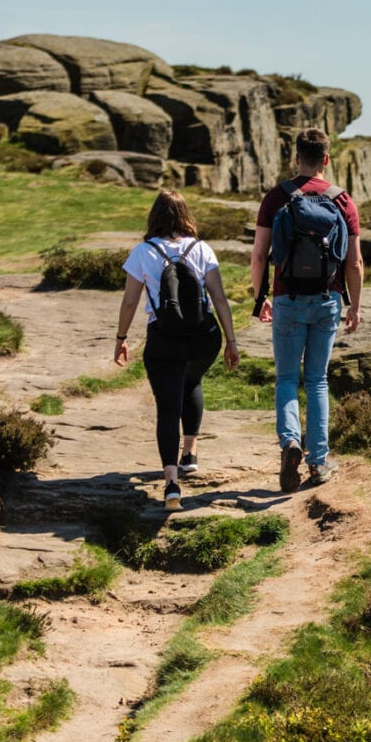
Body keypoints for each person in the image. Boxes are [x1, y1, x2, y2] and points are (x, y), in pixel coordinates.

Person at [251, 128, 363, 493]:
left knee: (286, 379)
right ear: (326, 160)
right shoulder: (342, 201)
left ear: (296, 157)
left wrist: (260, 297)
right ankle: (317, 463)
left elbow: (259, 254)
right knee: (317, 381)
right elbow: (355, 263)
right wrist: (354, 307)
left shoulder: (276, 197)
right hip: (327, 300)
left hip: (287, 298)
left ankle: (290, 443)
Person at [113, 190, 240, 510]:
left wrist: (121, 337)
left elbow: (130, 301)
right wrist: (231, 341)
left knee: (168, 406)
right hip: (203, 337)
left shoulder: (143, 252)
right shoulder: (202, 249)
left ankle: (171, 485)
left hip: (164, 338)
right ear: (186, 216)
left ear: (154, 217)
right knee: (192, 382)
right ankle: (190, 454)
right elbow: (220, 298)